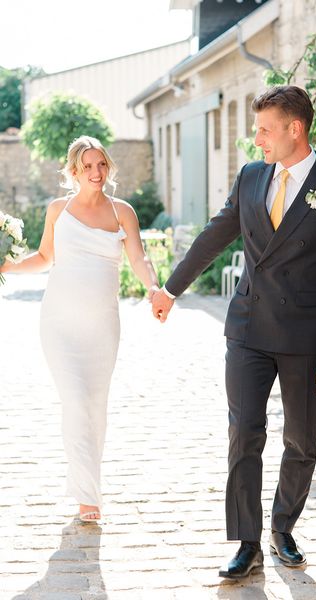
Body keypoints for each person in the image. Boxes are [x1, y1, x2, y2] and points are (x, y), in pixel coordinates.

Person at [151, 86, 316, 578]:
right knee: (244, 434)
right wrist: (171, 288)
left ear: (296, 129)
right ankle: (247, 543)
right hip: (248, 328)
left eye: (264, 129)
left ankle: (282, 526)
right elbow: (214, 233)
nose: (256, 140)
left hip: (306, 338)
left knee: (300, 441)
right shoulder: (252, 176)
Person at [0, 135, 159, 522]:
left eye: (101, 164)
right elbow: (43, 257)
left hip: (102, 325)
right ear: (74, 171)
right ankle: (86, 496)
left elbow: (138, 258)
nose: (96, 172)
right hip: (59, 322)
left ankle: (90, 486)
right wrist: (4, 265)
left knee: (95, 405)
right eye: (87, 166)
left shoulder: (123, 212)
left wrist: (154, 287)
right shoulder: (59, 209)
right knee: (74, 401)